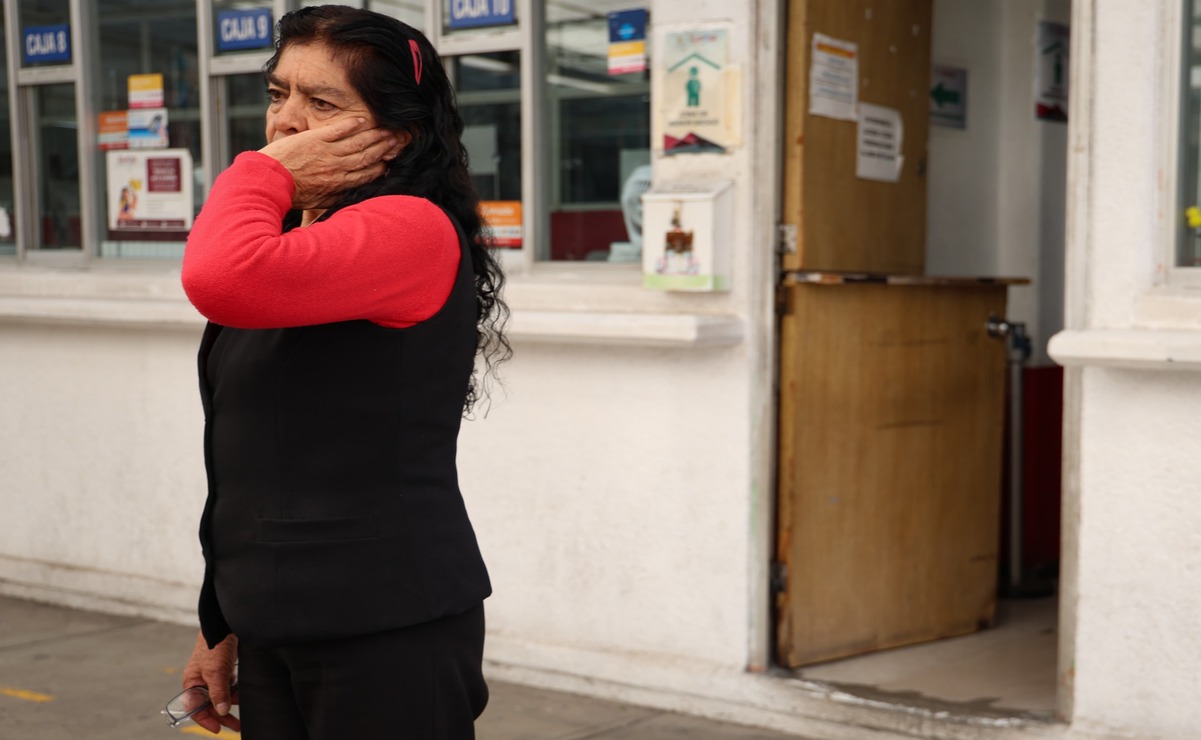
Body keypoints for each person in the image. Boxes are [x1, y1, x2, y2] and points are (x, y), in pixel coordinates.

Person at [177, 6, 508, 738]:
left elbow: (218, 275)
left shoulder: (408, 228)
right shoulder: (304, 238)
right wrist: (220, 621)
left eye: (321, 102)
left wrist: (257, 173)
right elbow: (256, 461)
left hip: (383, 627)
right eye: (276, 94)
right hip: (276, 619)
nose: (287, 121)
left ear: (396, 133)